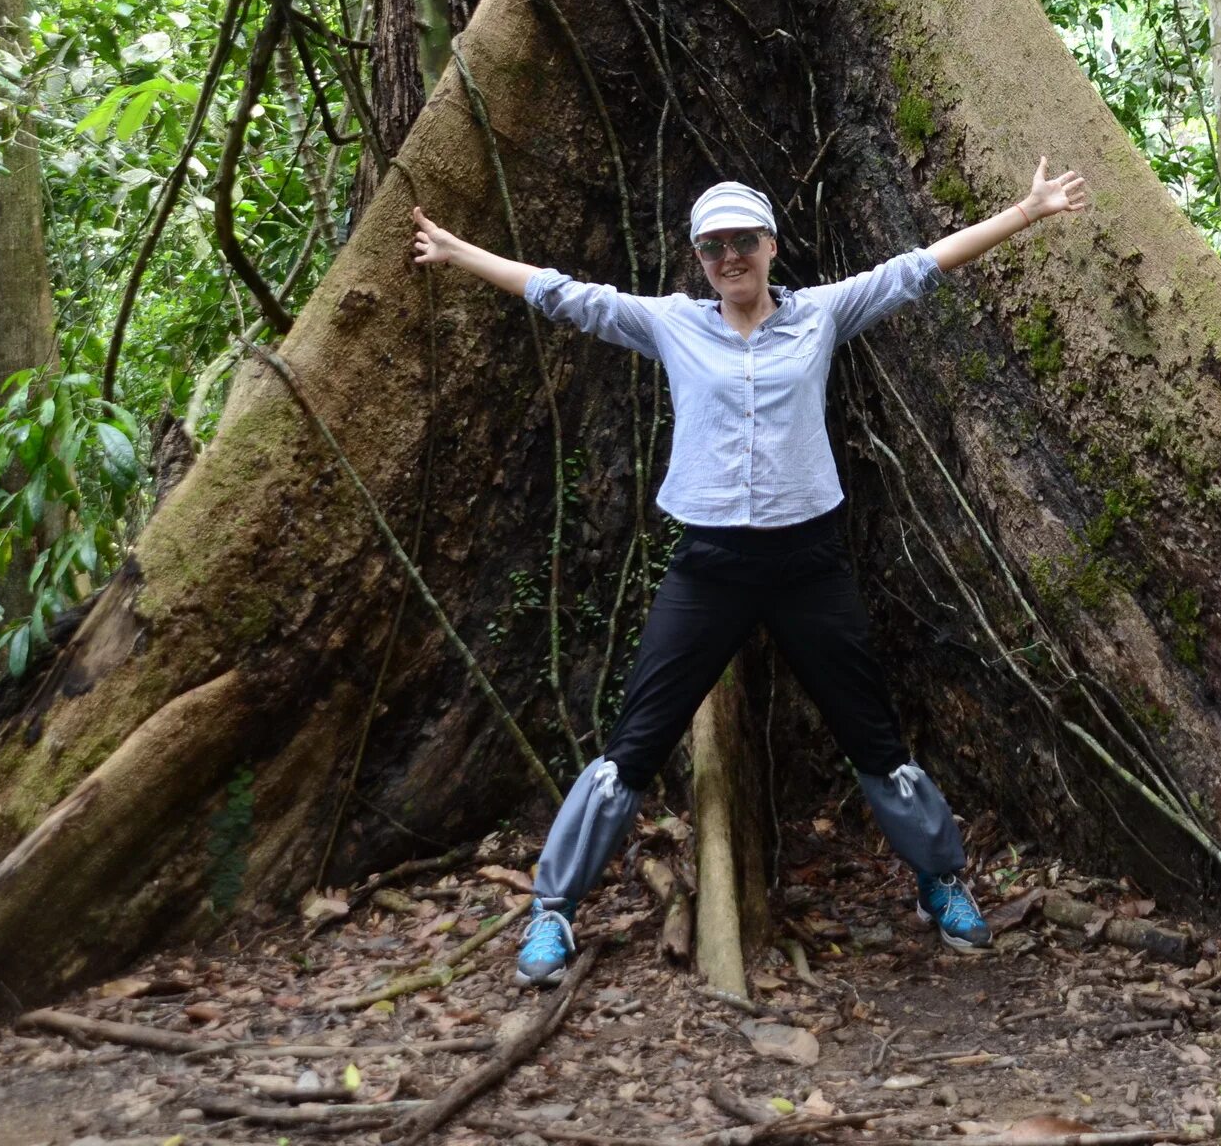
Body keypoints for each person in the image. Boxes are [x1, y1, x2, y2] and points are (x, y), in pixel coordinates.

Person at [410, 158, 1092, 986]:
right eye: (713, 247)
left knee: (872, 736)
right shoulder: (672, 323)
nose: (729, 257)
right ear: (699, 259)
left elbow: (918, 269)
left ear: (770, 246)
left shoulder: (821, 316)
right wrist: (459, 250)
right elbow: (564, 295)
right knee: (634, 745)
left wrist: (1024, 212)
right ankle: (553, 910)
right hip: (711, 567)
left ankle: (939, 880)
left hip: (808, 564)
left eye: (743, 241)